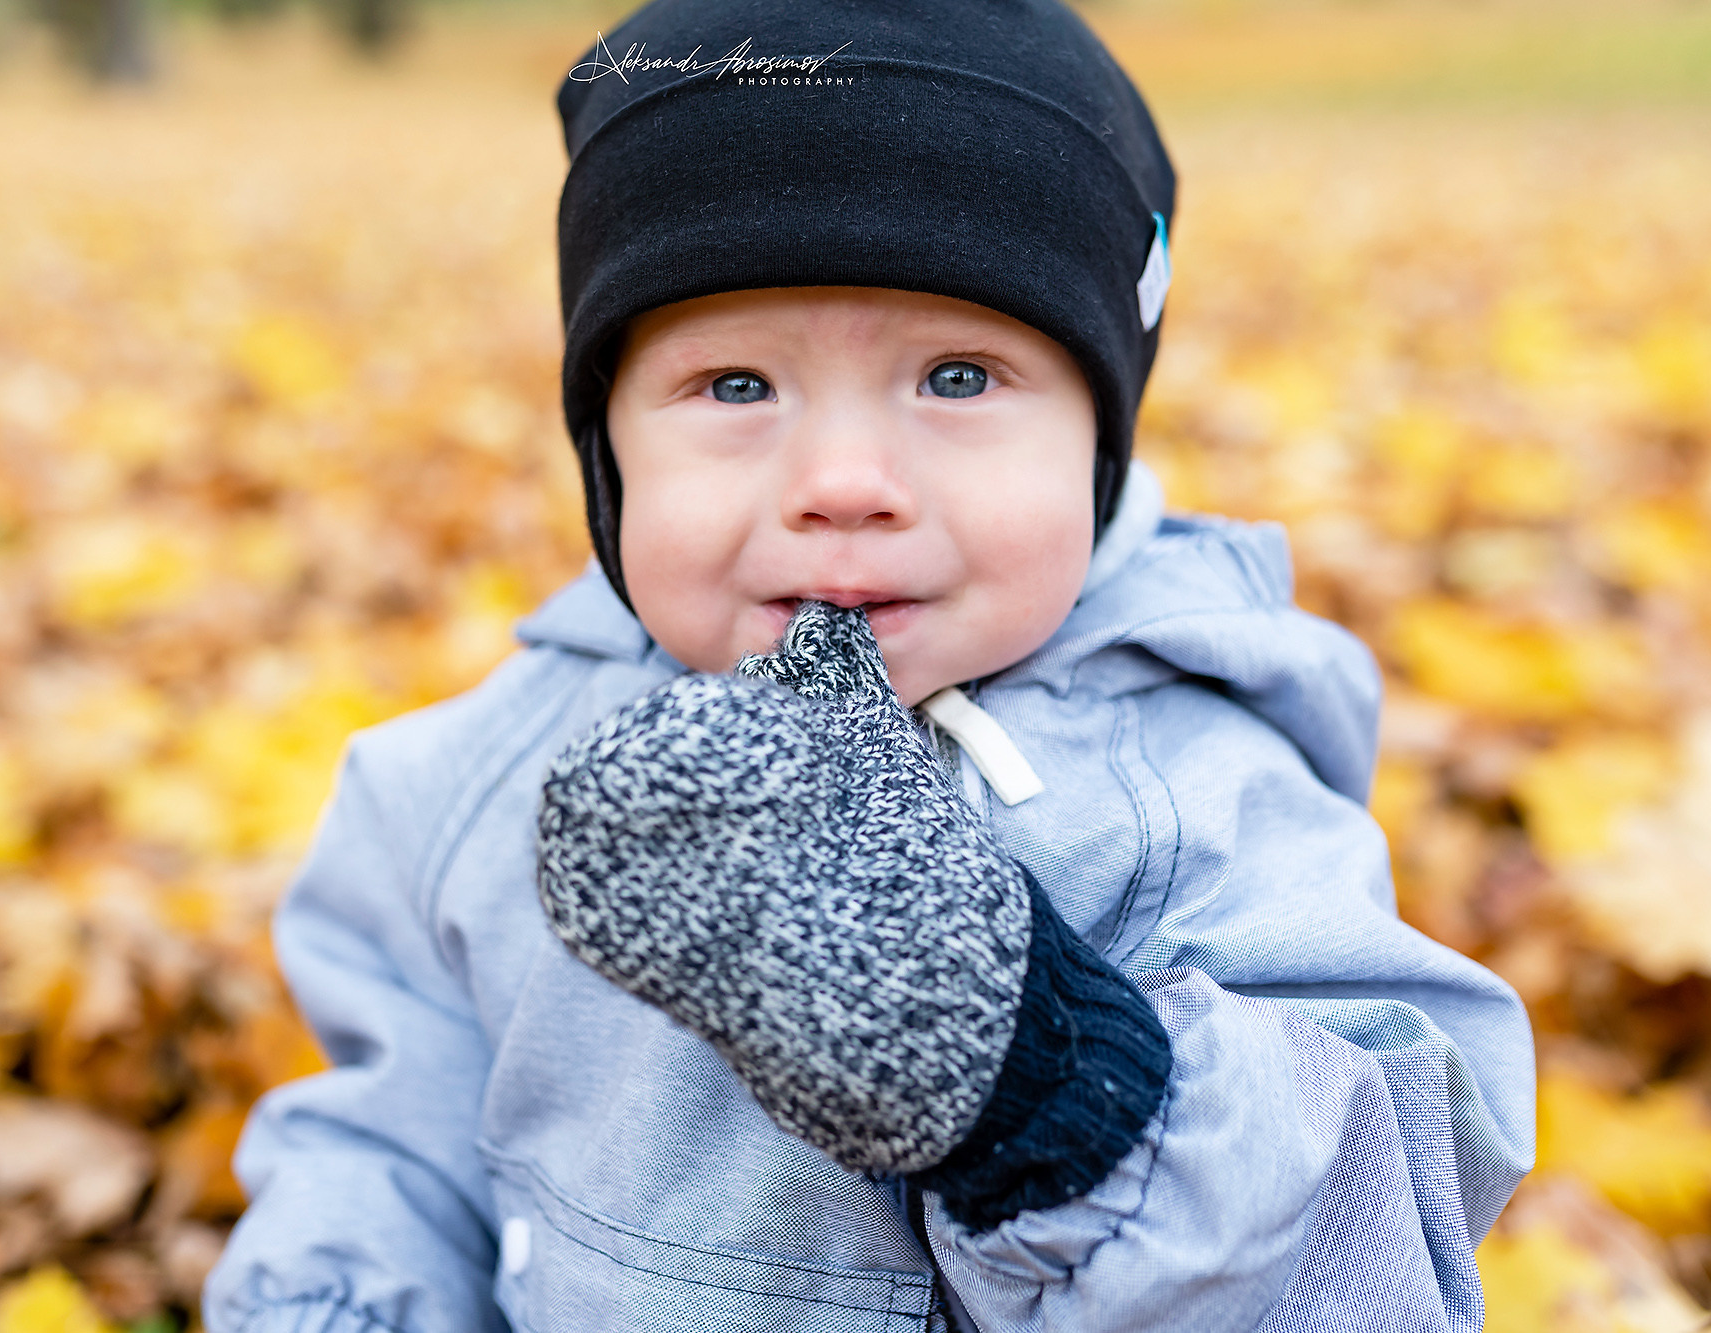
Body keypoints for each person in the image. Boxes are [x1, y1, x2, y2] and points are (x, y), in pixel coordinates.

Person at [203, 0, 1536, 1329]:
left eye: (958, 378)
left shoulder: (1193, 800)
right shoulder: (473, 780)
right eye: (735, 387)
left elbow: (1377, 1254)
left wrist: (1050, 1083)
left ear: (1098, 442)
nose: (844, 483)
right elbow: (391, 1154)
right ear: (608, 453)